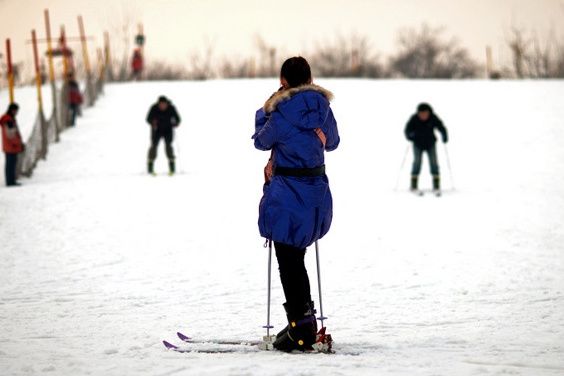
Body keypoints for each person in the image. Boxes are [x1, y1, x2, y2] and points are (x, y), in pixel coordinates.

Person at [252, 56, 340, 352]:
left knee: (288, 259)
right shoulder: (322, 107)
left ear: (283, 81)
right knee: (296, 256)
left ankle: (301, 328)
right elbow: (334, 141)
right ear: (310, 77)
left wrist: (266, 108)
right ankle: (302, 323)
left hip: (288, 193)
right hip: (316, 194)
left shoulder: (279, 111)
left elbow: (261, 142)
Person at [404, 103, 448, 194]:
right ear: (418, 113)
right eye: (421, 114)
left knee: (434, 163)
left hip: (430, 143)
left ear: (429, 113)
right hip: (417, 144)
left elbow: (441, 126)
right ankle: (413, 185)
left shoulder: (433, 118)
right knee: (417, 162)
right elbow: (407, 129)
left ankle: (436, 185)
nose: (423, 116)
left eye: (425, 113)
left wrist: (444, 135)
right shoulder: (414, 118)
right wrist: (410, 135)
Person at [146, 96, 180, 175]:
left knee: (168, 146)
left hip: (168, 130)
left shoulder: (171, 108)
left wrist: (175, 123)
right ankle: (150, 167)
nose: (162, 106)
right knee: (153, 146)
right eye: (160, 104)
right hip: (156, 130)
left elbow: (178, 119)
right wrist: (152, 122)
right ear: (158, 104)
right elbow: (148, 118)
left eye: (164, 104)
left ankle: (172, 167)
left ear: (166, 104)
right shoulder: (153, 108)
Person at [1, 103, 24, 187]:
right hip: (11, 146)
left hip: (10, 146)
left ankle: (11, 180)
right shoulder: (8, 120)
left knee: (10, 164)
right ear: (12, 110)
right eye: (16, 111)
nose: (17, 113)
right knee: (10, 164)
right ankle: (10, 181)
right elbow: (10, 134)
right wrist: (17, 143)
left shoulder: (9, 119)